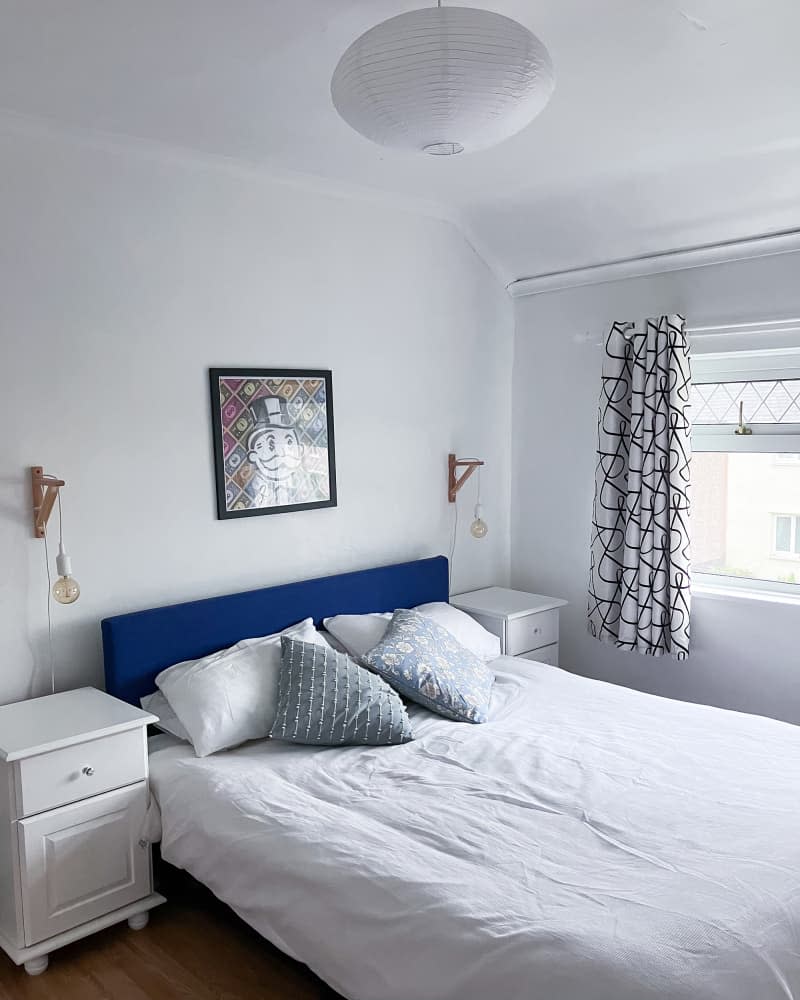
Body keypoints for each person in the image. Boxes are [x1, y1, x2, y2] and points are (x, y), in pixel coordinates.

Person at [246, 396, 303, 507]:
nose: (281, 453)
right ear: (253, 455)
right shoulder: (257, 481)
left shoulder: (297, 479)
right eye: (271, 445)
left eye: (288, 442)